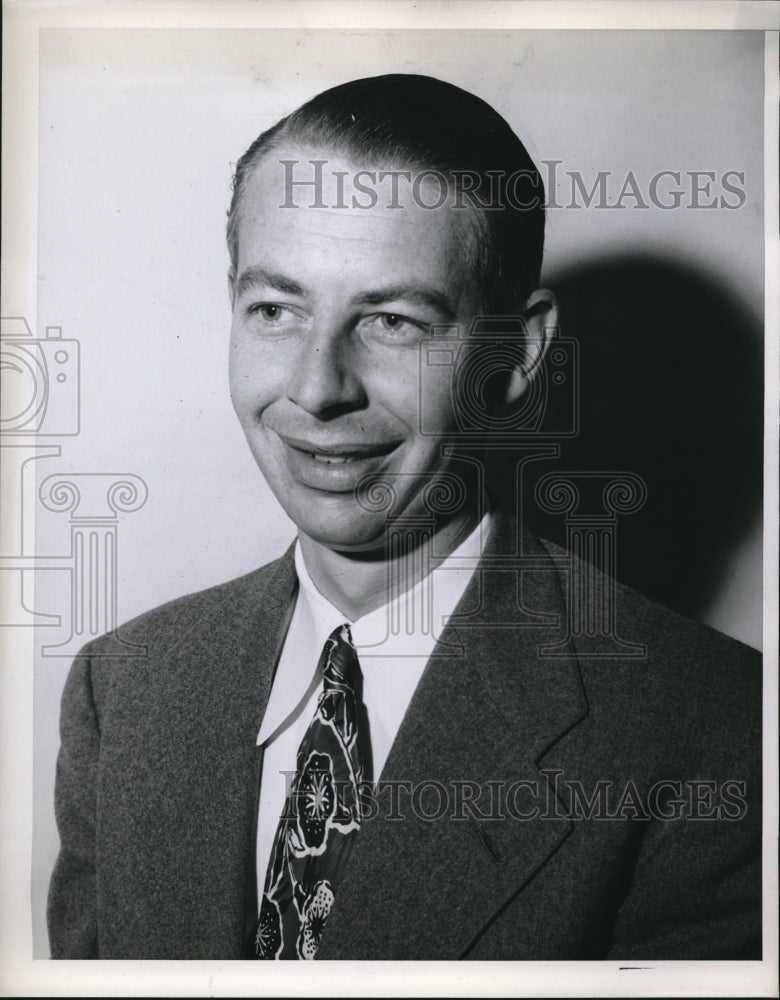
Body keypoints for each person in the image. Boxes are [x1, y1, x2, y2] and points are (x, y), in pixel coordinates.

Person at [47, 74, 761, 960]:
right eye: (276, 310)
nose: (315, 389)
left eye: (390, 320)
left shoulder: (721, 734)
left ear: (518, 352)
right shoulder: (123, 692)